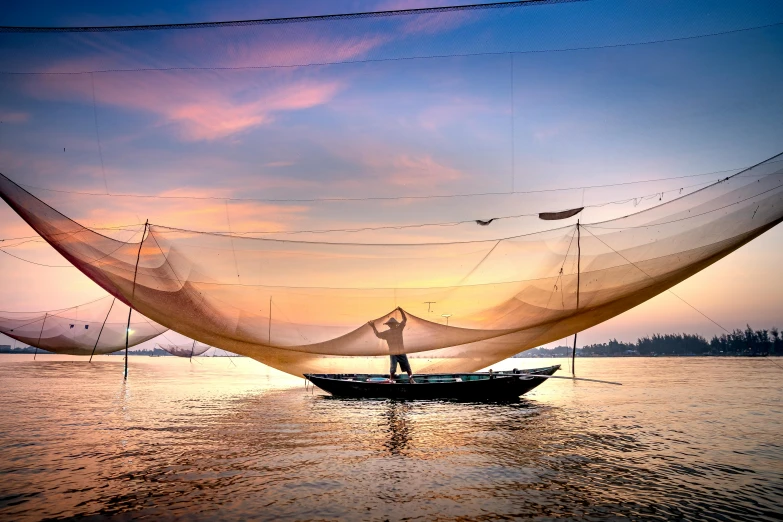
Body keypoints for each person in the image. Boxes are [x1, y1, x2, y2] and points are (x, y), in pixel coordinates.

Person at [368, 307, 415, 383]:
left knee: (405, 366)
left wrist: (373, 327)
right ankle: (393, 380)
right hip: (395, 352)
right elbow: (378, 335)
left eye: (392, 324)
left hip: (399, 351)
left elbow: (378, 335)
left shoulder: (398, 329)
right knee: (395, 367)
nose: (392, 325)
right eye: (391, 324)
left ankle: (409, 379)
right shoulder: (394, 330)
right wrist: (373, 327)